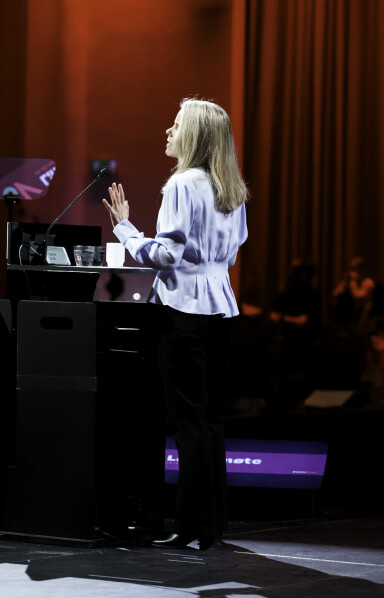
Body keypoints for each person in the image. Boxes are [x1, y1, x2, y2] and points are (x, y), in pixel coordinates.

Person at [102, 98, 249, 551]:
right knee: (209, 423)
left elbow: (166, 255)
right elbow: (231, 249)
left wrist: (126, 230)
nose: (168, 131)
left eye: (176, 125)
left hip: (182, 311)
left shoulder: (183, 185)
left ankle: (191, 527)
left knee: (187, 425)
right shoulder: (231, 188)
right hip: (221, 311)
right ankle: (211, 525)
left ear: (195, 136)